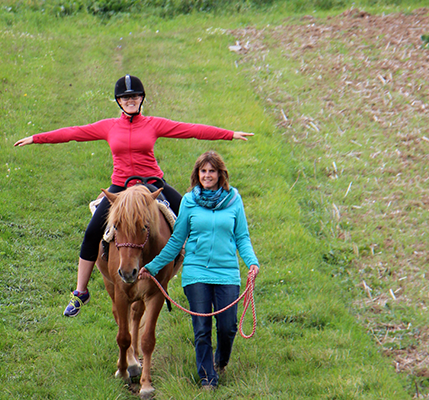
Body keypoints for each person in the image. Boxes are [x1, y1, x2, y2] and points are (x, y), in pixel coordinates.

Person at [15, 75, 254, 317]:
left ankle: (196, 274)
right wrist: (36, 138)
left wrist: (228, 134)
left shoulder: (153, 124)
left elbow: (189, 130)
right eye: (126, 97)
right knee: (91, 232)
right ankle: (80, 292)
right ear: (119, 101)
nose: (131, 100)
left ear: (142, 99)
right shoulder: (108, 126)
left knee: (191, 219)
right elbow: (74, 133)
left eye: (135, 96)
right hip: (120, 187)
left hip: (152, 184)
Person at [139, 151, 260, 390]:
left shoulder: (234, 199)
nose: (207, 175)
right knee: (202, 329)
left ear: (220, 174)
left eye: (212, 171)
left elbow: (242, 237)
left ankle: (221, 361)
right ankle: (207, 378)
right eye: (203, 171)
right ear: (197, 174)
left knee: (228, 327)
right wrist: (152, 266)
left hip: (226, 272)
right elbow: (176, 241)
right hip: (196, 273)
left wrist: (252, 262)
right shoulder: (188, 201)